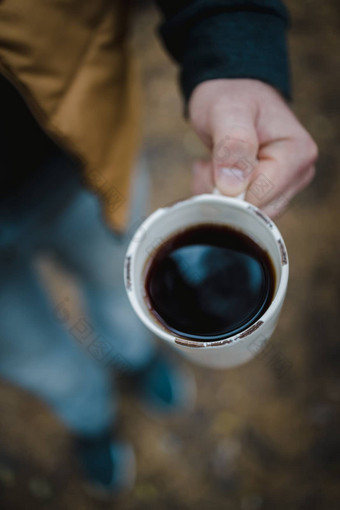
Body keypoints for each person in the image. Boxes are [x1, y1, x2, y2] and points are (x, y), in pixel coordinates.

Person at [0, 0, 318, 496]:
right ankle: (92, 419)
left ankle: (136, 359)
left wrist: (233, 45)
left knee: (119, 292)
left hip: (83, 166)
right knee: (38, 360)